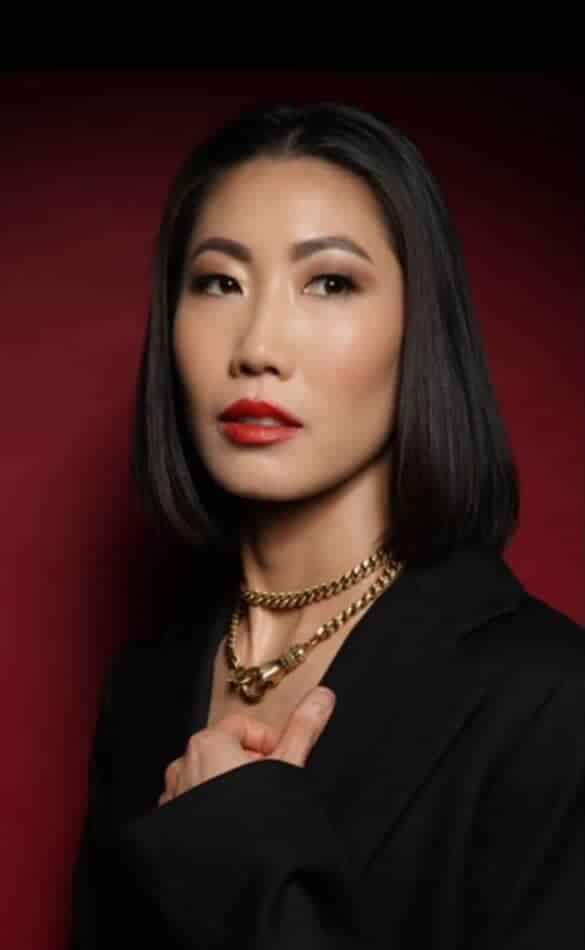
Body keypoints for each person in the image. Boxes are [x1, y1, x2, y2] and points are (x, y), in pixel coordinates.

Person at [67, 101, 585, 949]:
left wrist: (238, 847)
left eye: (330, 283)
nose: (257, 346)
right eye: (218, 282)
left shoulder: (549, 701)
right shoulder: (146, 686)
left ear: (419, 329)